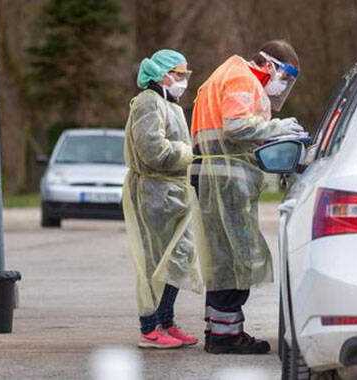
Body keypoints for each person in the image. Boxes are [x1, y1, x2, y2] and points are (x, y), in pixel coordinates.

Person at [191, 40, 303, 354]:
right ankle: (227, 337)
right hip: (226, 181)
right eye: (286, 75)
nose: (284, 84)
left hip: (216, 179)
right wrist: (277, 129)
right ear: (270, 65)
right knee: (236, 258)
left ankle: (218, 331)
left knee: (222, 259)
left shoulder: (225, 74)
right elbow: (237, 126)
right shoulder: (242, 78)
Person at [123, 49, 201, 349]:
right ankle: (149, 328)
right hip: (153, 193)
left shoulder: (171, 105)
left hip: (174, 192)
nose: (183, 80)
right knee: (155, 262)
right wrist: (186, 153)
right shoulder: (147, 103)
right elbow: (153, 151)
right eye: (179, 74)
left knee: (178, 257)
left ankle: (166, 321)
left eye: (185, 74)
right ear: (162, 74)